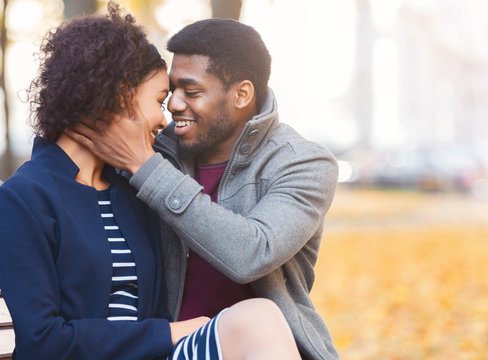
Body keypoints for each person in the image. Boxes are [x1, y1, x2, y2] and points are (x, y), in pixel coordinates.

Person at [0, 4, 301, 359]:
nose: (166, 117)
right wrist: (168, 333)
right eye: (160, 100)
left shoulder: (132, 189)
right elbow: (42, 341)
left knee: (260, 315)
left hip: (159, 353)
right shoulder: (24, 198)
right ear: (120, 96)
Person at [70, 18, 339, 360]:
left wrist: (145, 168)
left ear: (242, 94)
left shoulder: (303, 163)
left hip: (262, 348)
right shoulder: (152, 150)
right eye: (171, 91)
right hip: (165, 347)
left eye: (192, 91)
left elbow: (253, 254)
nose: (175, 105)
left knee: (260, 319)